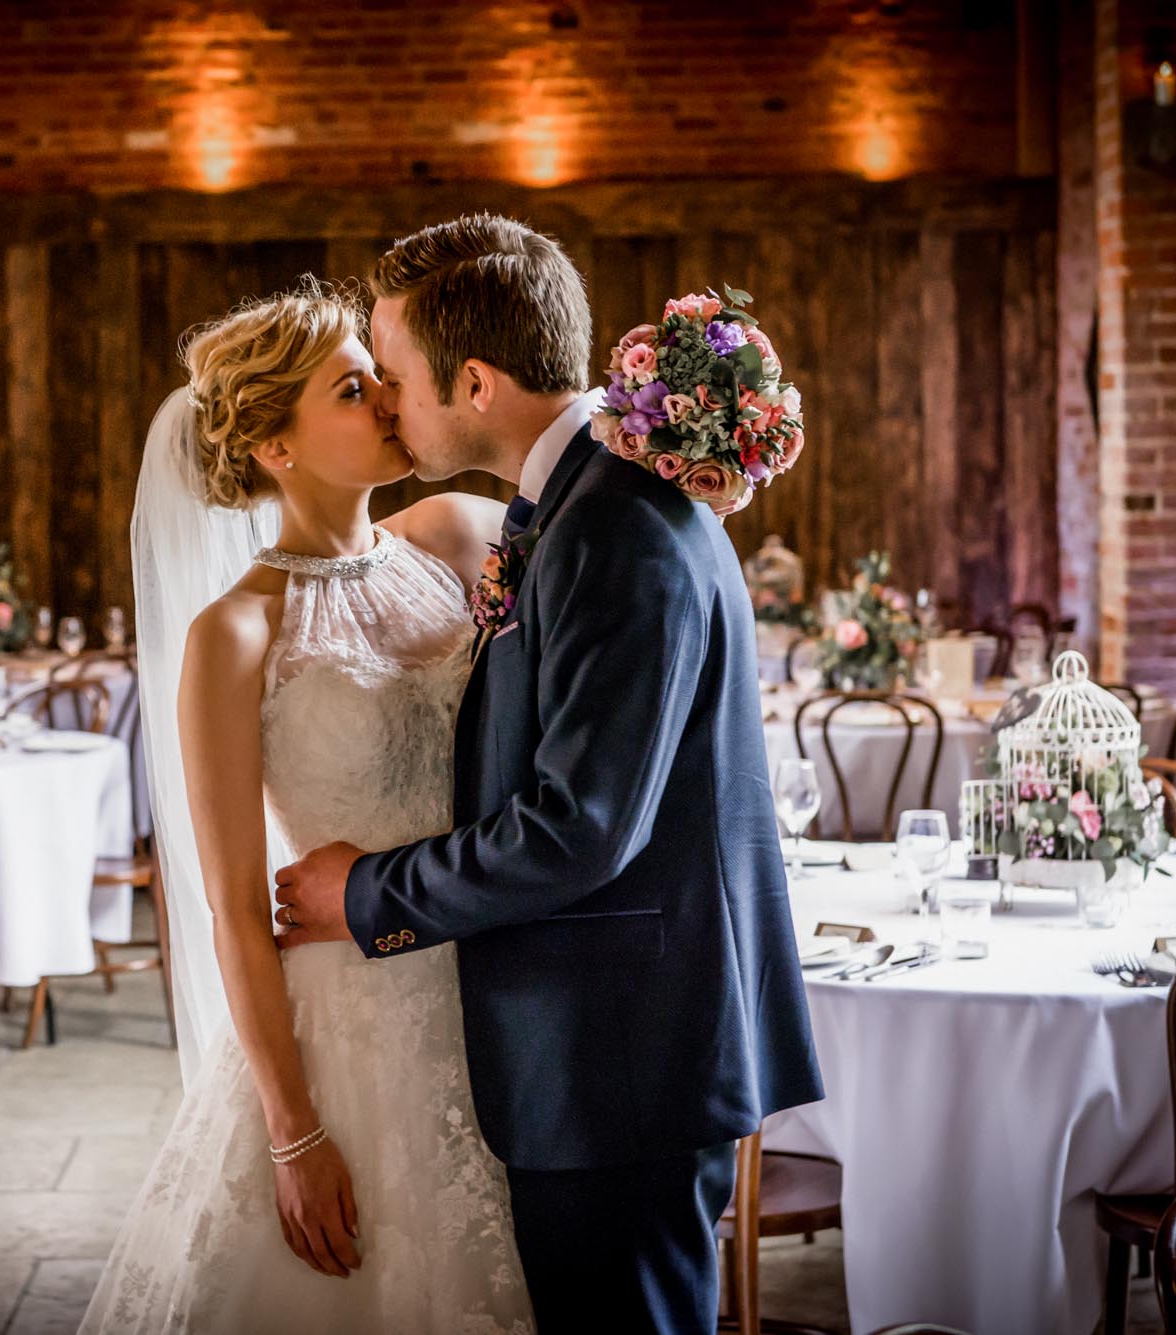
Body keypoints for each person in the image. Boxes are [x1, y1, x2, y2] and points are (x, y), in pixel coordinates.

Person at [272, 215, 824, 1334]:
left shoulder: (610, 527)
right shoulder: (578, 503)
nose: (385, 399)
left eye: (394, 373)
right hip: (611, 1045)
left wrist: (363, 894)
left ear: (471, 382)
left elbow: (579, 827)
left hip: (617, 1057)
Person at [77, 277, 533, 1333]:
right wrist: (292, 1132)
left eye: (379, 378)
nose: (385, 400)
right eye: (348, 390)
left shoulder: (458, 541)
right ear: (276, 447)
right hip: (352, 1017)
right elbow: (233, 906)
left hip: (495, 979)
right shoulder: (234, 636)